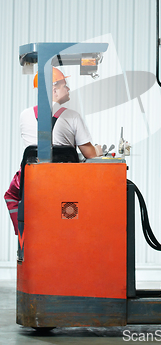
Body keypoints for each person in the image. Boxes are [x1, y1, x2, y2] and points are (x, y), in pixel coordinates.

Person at [4, 67, 103, 234]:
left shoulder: (24, 115)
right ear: (54, 89)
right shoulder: (72, 116)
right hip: (66, 182)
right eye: (66, 84)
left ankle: (24, 236)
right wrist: (98, 150)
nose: (69, 88)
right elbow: (90, 154)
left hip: (32, 181)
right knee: (74, 203)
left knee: (11, 196)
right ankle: (69, 231)